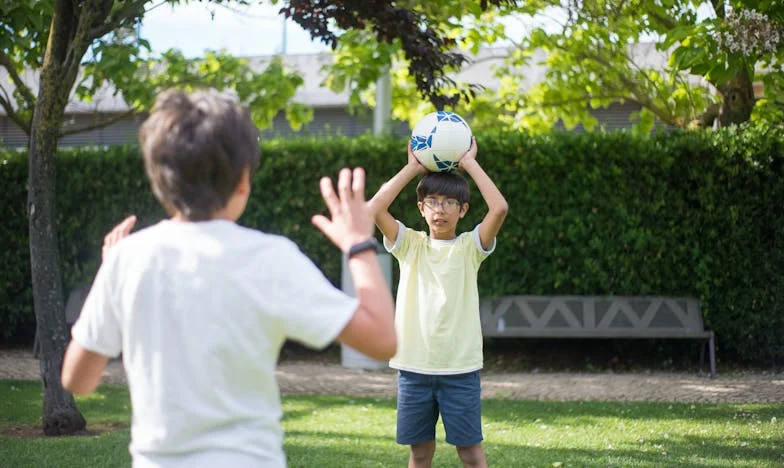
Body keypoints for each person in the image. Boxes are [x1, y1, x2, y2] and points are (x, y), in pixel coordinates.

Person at [61, 88, 396, 468]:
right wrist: (358, 245)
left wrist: (112, 275)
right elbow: (383, 340)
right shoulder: (271, 258)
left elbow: (77, 380)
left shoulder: (127, 258)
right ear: (243, 179)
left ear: (159, 181)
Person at [368, 138, 508, 468]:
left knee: (471, 454)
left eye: (448, 203)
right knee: (419, 453)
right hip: (414, 368)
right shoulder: (410, 245)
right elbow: (374, 208)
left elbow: (499, 208)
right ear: (421, 208)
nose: (439, 209)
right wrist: (413, 168)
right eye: (431, 201)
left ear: (463, 210)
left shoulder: (470, 247)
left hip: (460, 370)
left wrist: (469, 163)